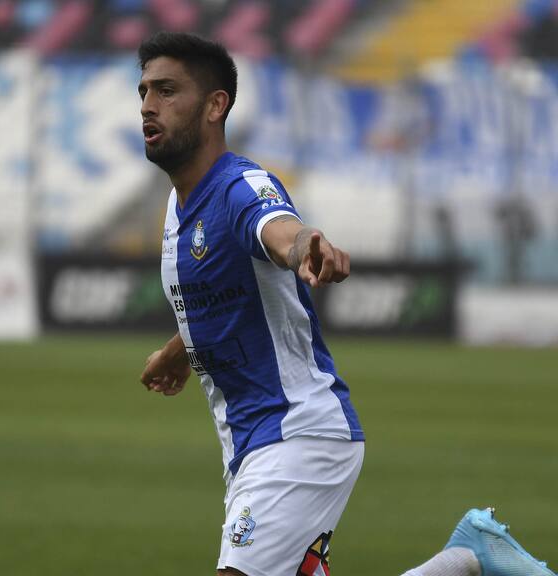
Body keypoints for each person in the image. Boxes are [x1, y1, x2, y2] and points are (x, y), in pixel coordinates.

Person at [136, 31, 554, 576]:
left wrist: (306, 244)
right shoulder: (179, 202)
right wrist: (181, 346)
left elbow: (276, 230)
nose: (148, 105)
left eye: (167, 91)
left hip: (296, 435)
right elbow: (229, 284)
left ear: (216, 105)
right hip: (253, 441)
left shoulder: (241, 187)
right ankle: (465, 560)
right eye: (143, 90)